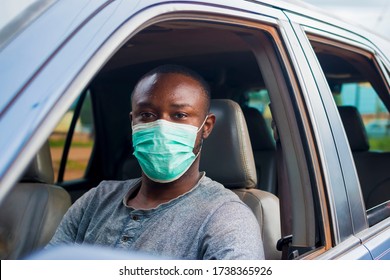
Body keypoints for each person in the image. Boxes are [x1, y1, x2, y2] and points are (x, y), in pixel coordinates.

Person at [48, 65, 264, 260]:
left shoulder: (226, 218)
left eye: (179, 115)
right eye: (147, 114)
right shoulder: (97, 199)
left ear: (206, 127)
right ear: (133, 122)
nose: (161, 127)